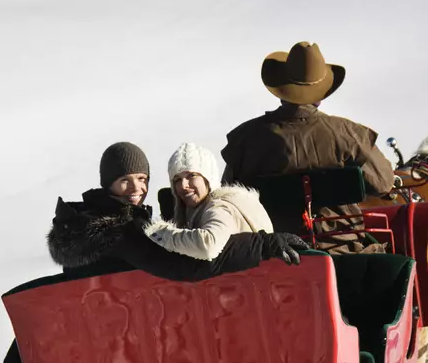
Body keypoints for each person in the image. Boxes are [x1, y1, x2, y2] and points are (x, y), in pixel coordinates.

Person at [220, 42, 396, 254]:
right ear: (321, 95)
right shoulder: (349, 135)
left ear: (281, 91)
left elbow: (228, 193)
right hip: (342, 249)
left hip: (273, 251)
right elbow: (384, 183)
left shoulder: (245, 139)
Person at [47, 141, 306, 280]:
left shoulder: (87, 221)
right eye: (124, 180)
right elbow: (185, 266)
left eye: (142, 178)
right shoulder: (116, 229)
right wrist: (262, 245)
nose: (136, 188)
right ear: (108, 184)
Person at [142, 143, 273, 260]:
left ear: (208, 178)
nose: (183, 185)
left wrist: (159, 233)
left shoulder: (220, 206)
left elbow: (208, 245)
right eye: (177, 180)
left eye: (191, 176)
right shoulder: (200, 210)